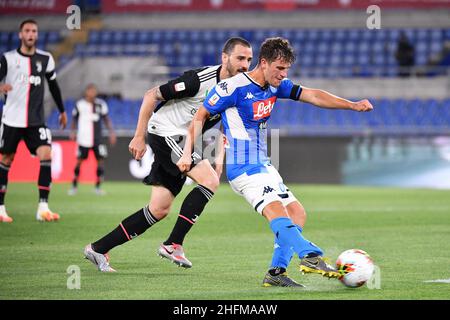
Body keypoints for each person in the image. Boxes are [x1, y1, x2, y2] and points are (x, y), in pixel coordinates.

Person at [177, 37, 374, 287]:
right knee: (275, 210)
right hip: (244, 168)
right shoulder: (232, 88)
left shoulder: (276, 86)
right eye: (279, 68)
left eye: (286, 70)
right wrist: (186, 153)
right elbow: (200, 116)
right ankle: (309, 255)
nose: (283, 75)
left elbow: (312, 95)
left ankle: (276, 273)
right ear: (264, 63)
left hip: (263, 164)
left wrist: (352, 105)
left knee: (297, 212)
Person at [83, 37, 253, 272]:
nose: (245, 65)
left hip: (183, 140)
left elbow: (227, 125)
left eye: (249, 60)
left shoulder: (237, 90)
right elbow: (151, 95)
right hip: (165, 132)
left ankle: (98, 248)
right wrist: (139, 136)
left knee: (158, 209)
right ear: (225, 58)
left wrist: (219, 160)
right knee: (209, 181)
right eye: (240, 58)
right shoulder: (198, 80)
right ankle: (173, 244)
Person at [0, 19, 67, 223]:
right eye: (27, 31)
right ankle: (1, 208)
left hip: (36, 120)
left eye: (34, 31)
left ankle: (43, 208)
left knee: (46, 154)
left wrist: (62, 110)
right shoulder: (8, 59)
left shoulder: (46, 59)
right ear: (21, 34)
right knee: (5, 160)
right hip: (12, 120)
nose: (31, 34)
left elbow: (54, 86)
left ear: (37, 35)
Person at [68, 83, 116, 196]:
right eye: (90, 91)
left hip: (97, 139)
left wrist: (111, 132)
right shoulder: (80, 105)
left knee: (100, 162)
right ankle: (74, 186)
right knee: (79, 162)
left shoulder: (101, 104)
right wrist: (72, 131)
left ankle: (98, 187)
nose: (92, 93)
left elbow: (106, 119)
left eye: (94, 91)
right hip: (83, 139)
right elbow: (74, 120)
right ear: (86, 92)